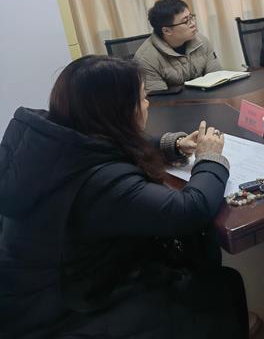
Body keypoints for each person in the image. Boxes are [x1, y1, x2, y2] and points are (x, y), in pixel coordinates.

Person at [0, 55, 248, 338]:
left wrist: (174, 144)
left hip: (32, 287)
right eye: (142, 98)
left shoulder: (54, 141)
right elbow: (189, 210)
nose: (147, 104)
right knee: (219, 287)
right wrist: (210, 159)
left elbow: (110, 144)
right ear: (117, 110)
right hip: (59, 309)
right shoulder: (101, 182)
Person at [134, 0, 222, 94]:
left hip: (207, 99)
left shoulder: (201, 41)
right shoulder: (146, 59)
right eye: (186, 21)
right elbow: (159, 99)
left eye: (191, 17)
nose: (193, 24)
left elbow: (217, 79)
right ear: (167, 31)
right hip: (175, 103)